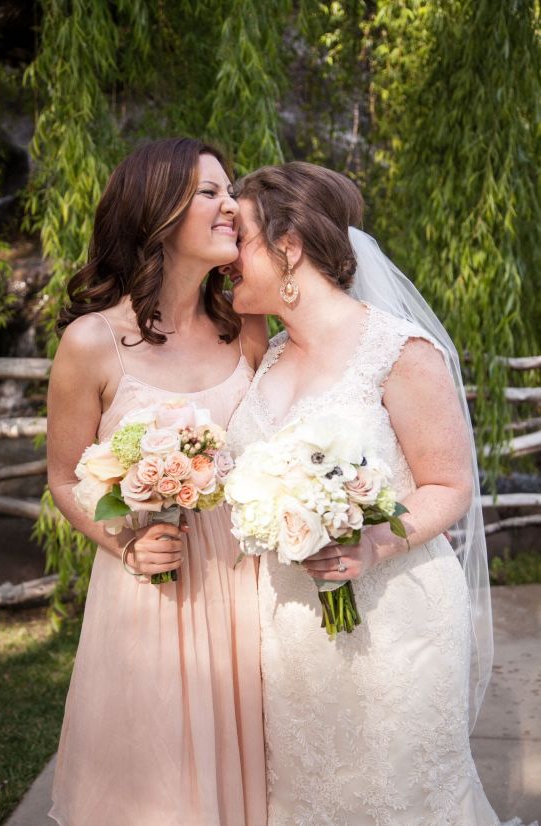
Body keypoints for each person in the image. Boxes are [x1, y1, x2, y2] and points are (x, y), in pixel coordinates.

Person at [226, 161, 532, 825]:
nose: (227, 255)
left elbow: (448, 485)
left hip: (396, 622)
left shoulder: (399, 350)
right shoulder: (273, 354)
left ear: (288, 247)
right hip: (292, 629)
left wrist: (368, 546)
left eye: (240, 238)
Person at [47, 137, 268, 826]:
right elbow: (63, 477)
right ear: (156, 210)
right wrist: (126, 545)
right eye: (210, 192)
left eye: (229, 191)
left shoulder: (250, 331)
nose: (232, 204)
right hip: (149, 596)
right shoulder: (92, 343)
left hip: (248, 589)